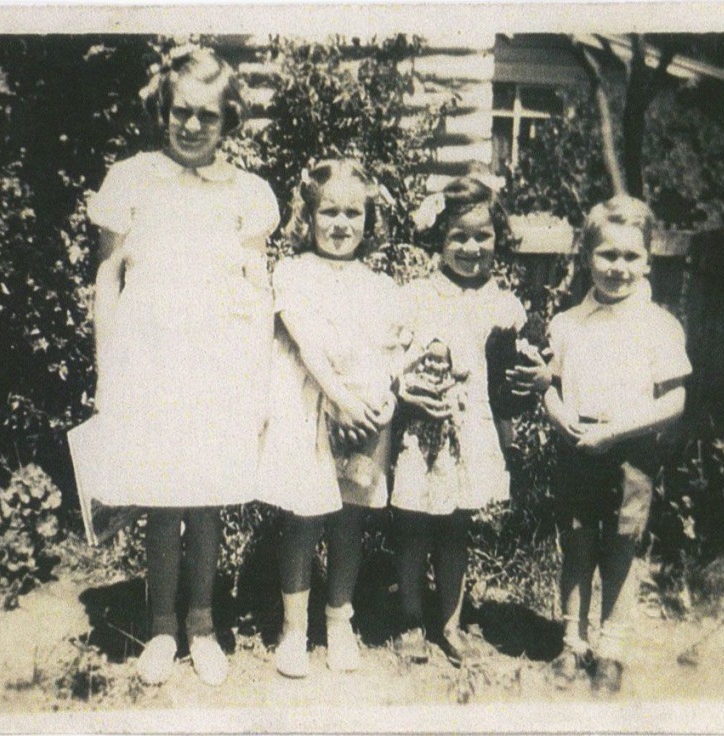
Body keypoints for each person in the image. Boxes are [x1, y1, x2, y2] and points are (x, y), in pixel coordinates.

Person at [69, 46, 279, 687]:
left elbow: (256, 290)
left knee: (207, 498)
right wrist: (107, 364)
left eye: (208, 117)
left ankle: (203, 623)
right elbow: (108, 276)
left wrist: (255, 372)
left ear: (228, 121)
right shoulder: (130, 179)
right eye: (181, 112)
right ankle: (161, 626)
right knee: (162, 500)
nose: (192, 126)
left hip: (217, 365)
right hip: (150, 362)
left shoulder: (246, 193)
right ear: (162, 111)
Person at [256, 159, 409, 678]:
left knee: (349, 521)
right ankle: (294, 629)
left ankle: (339, 620)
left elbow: (393, 353)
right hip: (310, 412)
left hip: (363, 417)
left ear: (369, 220)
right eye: (329, 212)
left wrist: (379, 404)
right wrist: (340, 399)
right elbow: (308, 346)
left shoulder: (381, 286)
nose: (341, 224)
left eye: (353, 212)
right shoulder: (293, 273)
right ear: (309, 215)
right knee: (302, 520)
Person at [543, 195, 691, 693]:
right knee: (578, 543)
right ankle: (572, 642)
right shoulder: (566, 324)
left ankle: (611, 647)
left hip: (631, 450)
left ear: (648, 260)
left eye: (631, 256)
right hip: (579, 444)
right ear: (587, 257)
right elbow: (549, 382)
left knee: (621, 549)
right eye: (608, 254)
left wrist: (617, 431)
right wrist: (561, 417)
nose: (619, 267)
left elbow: (673, 401)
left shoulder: (659, 325)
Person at [391, 176, 539, 666]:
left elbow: (510, 386)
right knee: (413, 525)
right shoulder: (415, 295)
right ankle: (411, 617)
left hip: (471, 435)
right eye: (459, 237)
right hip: (423, 433)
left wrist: (525, 387)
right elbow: (391, 360)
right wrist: (405, 387)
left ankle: (450, 623)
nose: (472, 248)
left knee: (456, 530)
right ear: (439, 238)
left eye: (483, 236)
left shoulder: (504, 304)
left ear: (498, 235)